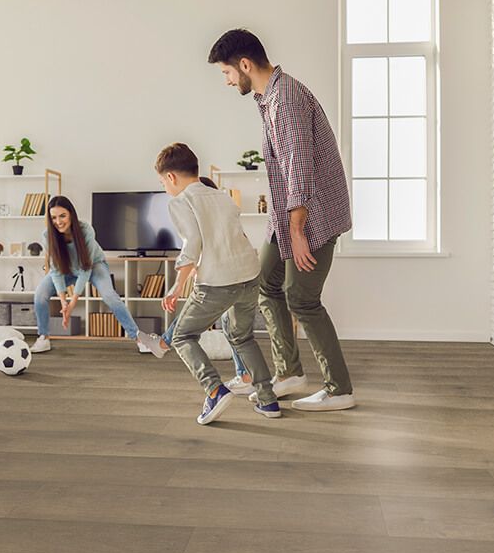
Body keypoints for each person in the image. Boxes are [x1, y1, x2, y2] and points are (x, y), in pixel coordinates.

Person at [208, 29, 355, 411]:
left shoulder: (284, 99)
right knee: (264, 284)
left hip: (313, 215)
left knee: (302, 299)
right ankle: (289, 372)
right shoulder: (270, 96)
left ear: (244, 65)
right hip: (286, 216)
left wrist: (298, 229)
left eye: (226, 74)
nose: (227, 82)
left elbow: (298, 165)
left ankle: (340, 389)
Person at [154, 142, 279, 424]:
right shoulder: (223, 196)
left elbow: (192, 244)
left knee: (181, 336)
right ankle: (268, 401)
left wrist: (176, 287)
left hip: (218, 283)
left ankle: (214, 389)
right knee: (242, 337)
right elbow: (233, 238)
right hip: (249, 275)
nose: (165, 187)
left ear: (171, 177)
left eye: (162, 182)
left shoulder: (180, 201)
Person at [138, 175, 254, 396]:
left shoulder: (201, 218)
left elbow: (195, 250)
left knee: (198, 328)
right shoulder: (224, 216)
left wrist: (178, 285)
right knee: (231, 328)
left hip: (225, 283)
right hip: (242, 279)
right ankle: (246, 376)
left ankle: (164, 345)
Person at [31, 195, 146, 352]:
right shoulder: (47, 236)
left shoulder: (86, 230)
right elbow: (56, 270)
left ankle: (139, 338)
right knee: (40, 295)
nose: (58, 222)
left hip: (93, 265)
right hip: (65, 269)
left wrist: (73, 303)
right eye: (54, 218)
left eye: (62, 216)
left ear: (71, 214)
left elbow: (85, 268)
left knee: (109, 296)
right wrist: (63, 302)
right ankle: (43, 337)